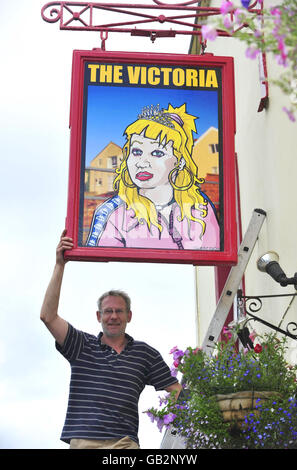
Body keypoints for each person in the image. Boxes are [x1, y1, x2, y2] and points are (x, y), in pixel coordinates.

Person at [40, 230, 182, 449]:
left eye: (119, 311)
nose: (113, 316)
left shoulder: (145, 354)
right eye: (107, 311)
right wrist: (60, 265)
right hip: (85, 441)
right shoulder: (81, 345)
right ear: (99, 316)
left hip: (125, 443)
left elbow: (176, 390)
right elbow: (48, 317)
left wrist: (178, 419)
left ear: (129, 316)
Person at [86, 103, 220, 250]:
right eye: (136, 152)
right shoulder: (112, 213)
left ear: (180, 162)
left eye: (157, 153)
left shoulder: (200, 208)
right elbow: (99, 264)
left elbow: (215, 254)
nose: (142, 163)